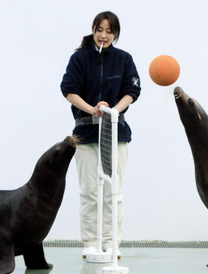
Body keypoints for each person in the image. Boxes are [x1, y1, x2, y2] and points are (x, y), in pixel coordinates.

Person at [60, 11, 141, 258]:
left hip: (116, 133)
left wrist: (113, 111)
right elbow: (68, 90)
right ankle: (91, 242)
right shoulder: (79, 58)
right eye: (99, 30)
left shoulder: (124, 59)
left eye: (109, 31)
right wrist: (93, 110)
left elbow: (132, 90)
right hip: (85, 134)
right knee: (89, 191)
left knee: (113, 191)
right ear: (93, 30)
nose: (103, 35)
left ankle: (111, 241)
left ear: (115, 34)